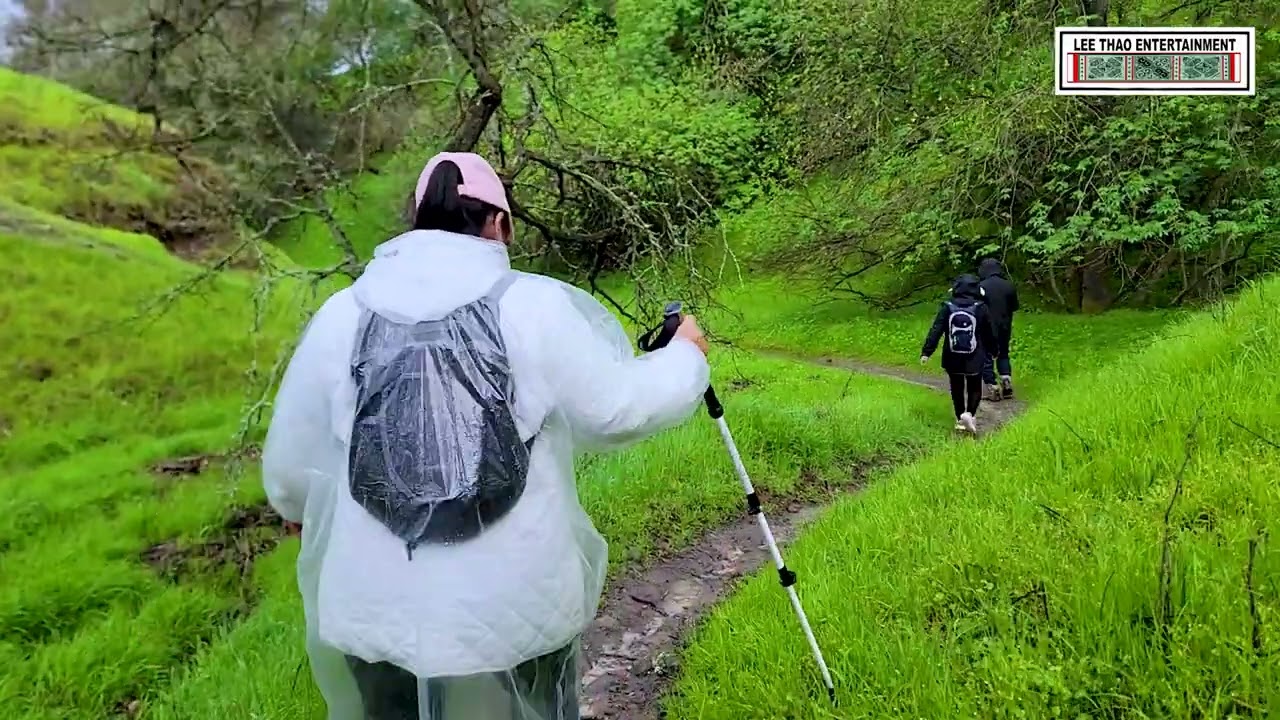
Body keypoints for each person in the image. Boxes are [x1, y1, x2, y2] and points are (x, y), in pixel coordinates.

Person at [261, 151, 711, 720]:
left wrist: (295, 506)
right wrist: (685, 360)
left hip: (375, 608)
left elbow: (291, 466)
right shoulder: (534, 305)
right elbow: (616, 409)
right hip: (512, 609)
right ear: (499, 224)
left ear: (415, 223)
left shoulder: (340, 314)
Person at [919, 274, 997, 434]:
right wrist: (994, 351)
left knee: (956, 387)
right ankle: (970, 414)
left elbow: (936, 330)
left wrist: (927, 352)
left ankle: (960, 419)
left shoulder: (947, 306)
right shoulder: (980, 307)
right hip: (975, 355)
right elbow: (989, 333)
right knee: (975, 386)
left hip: (952, 356)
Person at [977, 257, 1019, 401]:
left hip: (986, 326)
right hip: (1004, 325)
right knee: (1003, 353)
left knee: (986, 354)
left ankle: (991, 386)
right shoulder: (1009, 286)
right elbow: (1015, 306)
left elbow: (977, 307)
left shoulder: (981, 286)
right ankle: (1006, 380)